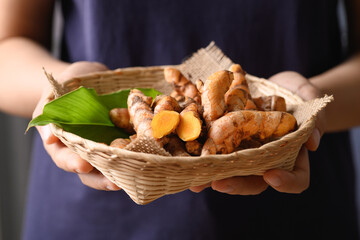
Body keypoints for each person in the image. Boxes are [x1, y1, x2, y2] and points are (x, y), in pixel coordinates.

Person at [0, 0, 359, 239]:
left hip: (294, 211)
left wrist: (309, 100)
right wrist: (67, 88)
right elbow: (8, 46)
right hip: (93, 200)